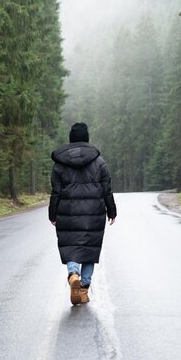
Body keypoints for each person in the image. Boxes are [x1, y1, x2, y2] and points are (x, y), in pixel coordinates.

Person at [49, 122, 117, 305]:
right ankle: (84, 289)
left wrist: (52, 214)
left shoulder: (59, 165)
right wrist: (112, 211)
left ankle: (73, 274)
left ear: (71, 138)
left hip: (67, 212)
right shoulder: (99, 162)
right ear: (86, 138)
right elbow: (107, 190)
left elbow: (55, 192)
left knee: (71, 245)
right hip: (94, 213)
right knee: (89, 249)